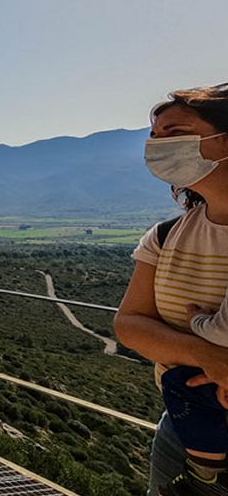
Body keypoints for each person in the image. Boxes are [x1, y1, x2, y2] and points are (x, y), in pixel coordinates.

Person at [114, 84, 228, 496]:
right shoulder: (165, 236)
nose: (158, 146)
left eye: (175, 133)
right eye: (155, 136)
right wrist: (207, 355)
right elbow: (129, 324)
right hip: (183, 429)